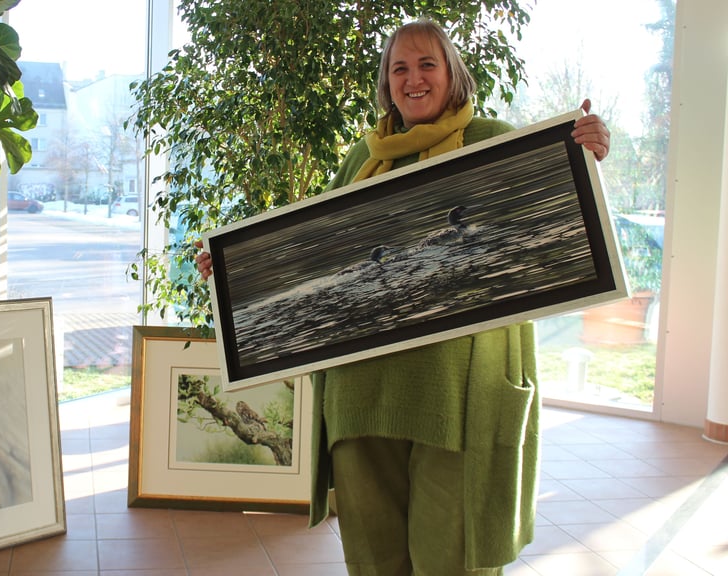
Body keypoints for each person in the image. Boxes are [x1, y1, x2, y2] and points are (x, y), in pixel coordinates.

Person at [195, 18, 611, 576]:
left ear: (452, 73)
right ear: (387, 83)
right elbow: (310, 255)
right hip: (360, 397)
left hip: (454, 399)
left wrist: (585, 154)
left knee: (452, 561)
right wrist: (230, 271)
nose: (413, 79)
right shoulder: (360, 160)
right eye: (400, 69)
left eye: (426, 64)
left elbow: (549, 224)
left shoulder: (493, 139)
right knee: (373, 560)